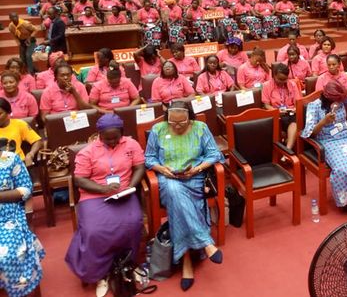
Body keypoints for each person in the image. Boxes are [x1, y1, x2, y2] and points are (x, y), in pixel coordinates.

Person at [145, 101, 225, 291]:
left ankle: (186, 262)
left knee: (177, 203)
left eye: (182, 123)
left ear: (190, 117)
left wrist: (197, 168)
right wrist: (162, 169)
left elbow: (214, 154)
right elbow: (149, 158)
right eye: (173, 123)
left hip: (194, 178)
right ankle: (205, 242)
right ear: (168, 119)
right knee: (174, 191)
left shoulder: (200, 128)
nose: (178, 126)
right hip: (168, 179)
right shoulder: (158, 129)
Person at [65, 114, 146, 297]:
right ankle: (101, 273)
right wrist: (103, 189)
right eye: (106, 138)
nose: (111, 141)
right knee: (94, 230)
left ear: (122, 133)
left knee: (133, 222)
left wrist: (131, 186)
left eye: (115, 137)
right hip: (95, 195)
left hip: (124, 191)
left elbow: (139, 167)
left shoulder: (131, 145)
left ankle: (128, 264)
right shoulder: (87, 152)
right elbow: (79, 180)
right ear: (99, 134)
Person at [301, 81, 347, 210]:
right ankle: (345, 202)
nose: (340, 102)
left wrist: (345, 90)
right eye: (337, 99)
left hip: (346, 137)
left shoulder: (342, 100)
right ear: (327, 97)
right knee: (342, 169)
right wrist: (323, 122)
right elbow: (309, 133)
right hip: (327, 141)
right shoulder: (315, 106)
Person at [0, 148, 45, 297]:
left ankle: (14, 290)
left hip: (8, 217)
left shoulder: (10, 159)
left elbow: (26, 189)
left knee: (6, 255)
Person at [262, 63, 301, 150]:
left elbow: (298, 102)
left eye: (285, 79)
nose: (282, 82)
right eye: (279, 79)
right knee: (288, 122)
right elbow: (266, 105)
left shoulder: (292, 84)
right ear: (274, 76)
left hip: (290, 113)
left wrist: (294, 109)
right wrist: (277, 111)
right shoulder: (267, 86)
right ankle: (288, 146)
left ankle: (287, 148)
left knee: (295, 120)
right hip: (276, 114)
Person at [0, 97, 42, 166]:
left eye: (0, 114)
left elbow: (38, 141)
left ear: (8, 112)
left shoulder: (19, 124)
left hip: (18, 165)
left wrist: (31, 154)